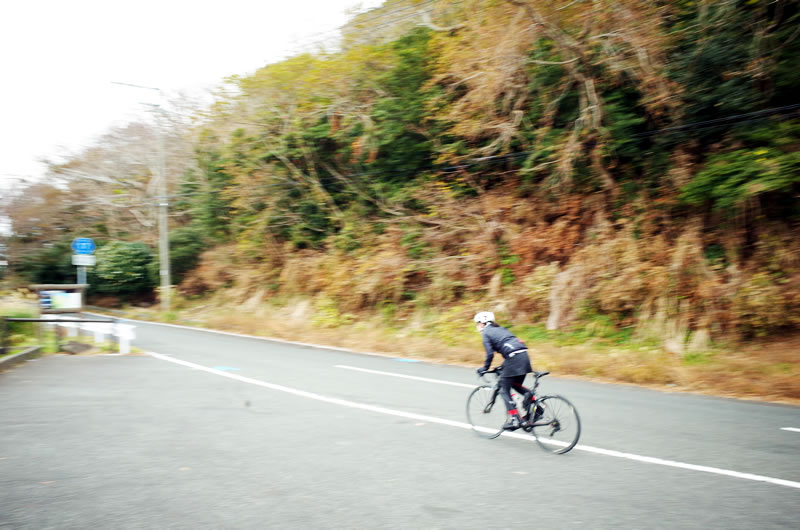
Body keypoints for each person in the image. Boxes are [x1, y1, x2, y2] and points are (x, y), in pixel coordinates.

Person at [474, 311, 536, 431]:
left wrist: (484, 368)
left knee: (503, 388)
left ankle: (514, 419)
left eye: (477, 323)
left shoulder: (486, 333)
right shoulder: (501, 329)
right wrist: (503, 366)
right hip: (524, 356)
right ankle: (536, 406)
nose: (477, 326)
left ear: (482, 322)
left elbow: (490, 354)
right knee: (515, 385)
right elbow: (510, 346)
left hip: (513, 358)